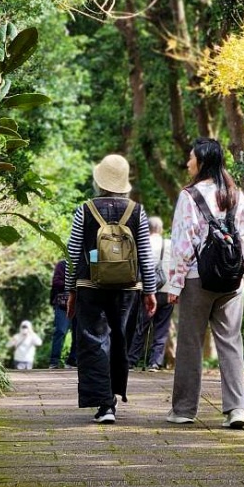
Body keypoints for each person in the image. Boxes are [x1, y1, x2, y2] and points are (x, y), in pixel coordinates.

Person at [165, 138, 244, 428]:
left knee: (190, 343)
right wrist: (243, 273)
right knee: (231, 343)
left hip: (197, 278)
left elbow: (182, 243)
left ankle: (184, 410)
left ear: (201, 161)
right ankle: (236, 409)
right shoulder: (234, 194)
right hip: (231, 279)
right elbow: (243, 237)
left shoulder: (189, 196)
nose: (187, 163)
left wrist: (174, 285)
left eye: (191, 158)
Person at [65, 153, 157, 424]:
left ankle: (104, 405)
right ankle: (112, 397)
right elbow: (144, 253)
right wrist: (150, 291)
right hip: (128, 288)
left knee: (94, 340)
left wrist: (71, 290)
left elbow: (72, 251)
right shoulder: (136, 211)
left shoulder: (85, 208)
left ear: (100, 181)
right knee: (120, 340)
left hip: (90, 285)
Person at [128, 216, 174, 371]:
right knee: (161, 328)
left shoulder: (142, 244)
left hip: (146, 290)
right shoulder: (170, 244)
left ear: (147, 229)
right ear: (160, 229)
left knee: (141, 327)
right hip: (167, 290)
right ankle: (155, 362)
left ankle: (132, 361)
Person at [48, 260, 78, 369]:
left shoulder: (85, 263)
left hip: (80, 304)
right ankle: (54, 362)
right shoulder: (63, 265)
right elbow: (56, 282)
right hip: (62, 305)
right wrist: (73, 284)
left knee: (78, 334)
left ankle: (72, 361)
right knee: (60, 331)